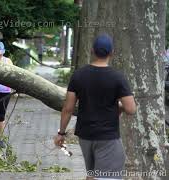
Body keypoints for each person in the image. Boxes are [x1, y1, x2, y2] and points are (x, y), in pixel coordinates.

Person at [54, 34, 136, 180]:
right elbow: (131, 109)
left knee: (92, 175)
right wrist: (119, 106)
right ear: (112, 52)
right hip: (107, 138)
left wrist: (61, 133)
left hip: (85, 136)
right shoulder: (118, 77)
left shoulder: (78, 75)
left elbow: (68, 108)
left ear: (92, 50)